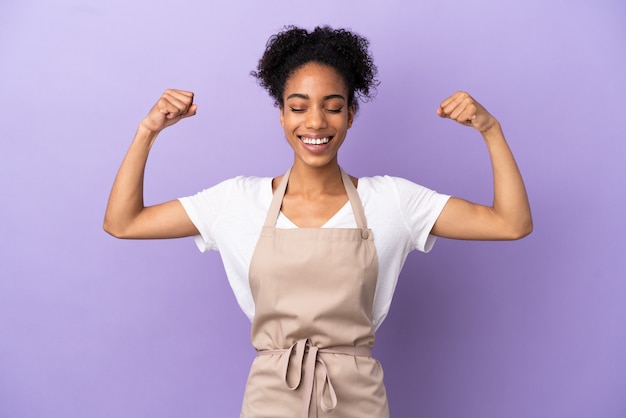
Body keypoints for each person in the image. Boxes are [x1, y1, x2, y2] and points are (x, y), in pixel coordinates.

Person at [104, 25, 532, 418]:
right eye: (298, 106)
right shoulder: (237, 201)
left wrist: (489, 129)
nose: (314, 122)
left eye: (332, 107)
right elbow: (123, 222)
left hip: (359, 399)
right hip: (272, 398)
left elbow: (510, 223)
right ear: (281, 114)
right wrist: (148, 131)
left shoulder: (392, 201)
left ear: (349, 115)